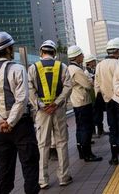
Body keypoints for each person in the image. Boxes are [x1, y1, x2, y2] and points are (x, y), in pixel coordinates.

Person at [0, 31, 39, 194]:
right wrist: (11, 122)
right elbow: (22, 99)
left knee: (4, 171)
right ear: (9, 49)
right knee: (30, 166)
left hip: (1, 130)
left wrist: (1, 122)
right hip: (21, 126)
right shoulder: (18, 69)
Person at [28, 40, 73, 189]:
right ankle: (64, 177)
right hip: (58, 110)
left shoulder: (33, 68)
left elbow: (30, 90)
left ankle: (43, 180)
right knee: (61, 143)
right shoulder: (62, 66)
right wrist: (57, 103)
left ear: (41, 52)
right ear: (54, 53)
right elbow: (68, 86)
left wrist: (41, 105)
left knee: (42, 145)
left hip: (42, 112)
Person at [94, 37, 119, 165]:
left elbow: (96, 84)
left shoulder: (100, 65)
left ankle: (114, 157)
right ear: (118, 51)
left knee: (113, 128)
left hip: (107, 100)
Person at [67, 45, 103, 162]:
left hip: (76, 102)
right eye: (81, 54)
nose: (83, 56)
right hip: (83, 102)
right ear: (77, 56)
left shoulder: (69, 68)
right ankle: (88, 154)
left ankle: (81, 152)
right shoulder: (77, 70)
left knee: (79, 128)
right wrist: (91, 81)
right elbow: (88, 85)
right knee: (86, 128)